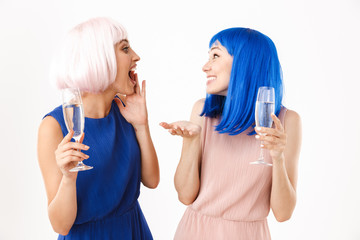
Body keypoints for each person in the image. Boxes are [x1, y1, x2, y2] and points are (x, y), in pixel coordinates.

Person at [160, 28, 302, 239]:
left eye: (215, 55)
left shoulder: (287, 121)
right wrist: (191, 141)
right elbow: (185, 195)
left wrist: (278, 158)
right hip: (194, 232)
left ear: (245, 63)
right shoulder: (202, 112)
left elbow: (283, 213)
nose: (205, 66)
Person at [37, 17, 159, 239]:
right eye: (125, 48)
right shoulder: (53, 126)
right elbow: (61, 225)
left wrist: (142, 124)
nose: (136, 56)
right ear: (100, 59)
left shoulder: (125, 112)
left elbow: (152, 180)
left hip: (133, 230)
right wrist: (68, 177)